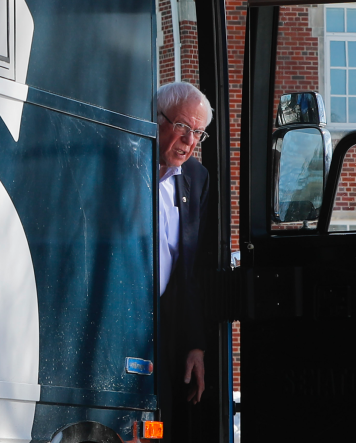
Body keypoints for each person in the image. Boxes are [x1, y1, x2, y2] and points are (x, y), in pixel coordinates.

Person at [156, 81, 212, 443]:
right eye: (182, 127)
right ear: (158, 120)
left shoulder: (196, 178)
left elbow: (190, 271)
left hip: (163, 328)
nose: (190, 142)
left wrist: (195, 344)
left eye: (198, 133)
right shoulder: (126, 162)